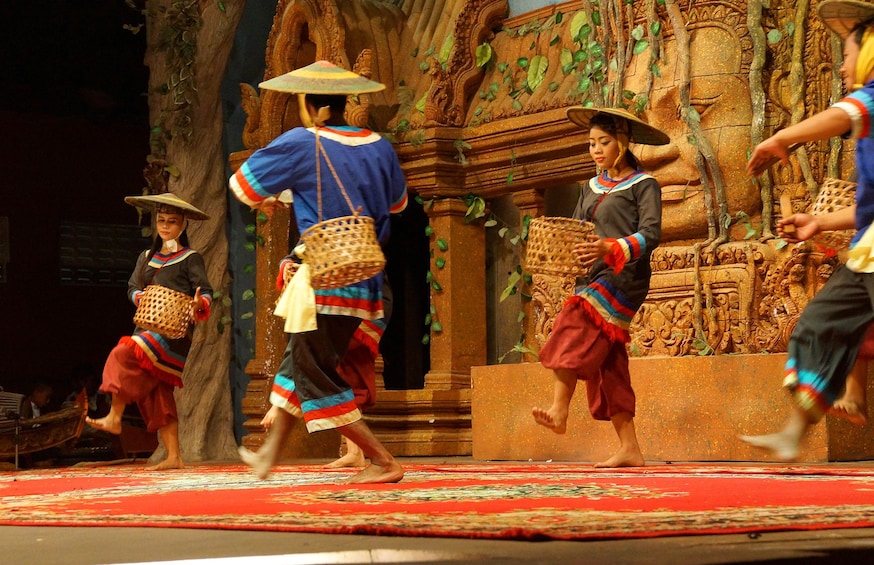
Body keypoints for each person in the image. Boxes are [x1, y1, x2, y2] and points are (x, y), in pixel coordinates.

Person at [230, 60, 408, 484]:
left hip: (326, 277)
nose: (303, 113)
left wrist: (267, 201)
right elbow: (398, 204)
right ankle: (270, 455)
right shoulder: (380, 147)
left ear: (318, 109)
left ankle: (383, 460)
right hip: (366, 279)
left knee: (313, 370)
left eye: (304, 106)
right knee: (305, 360)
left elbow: (243, 186)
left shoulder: (302, 142)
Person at [740, 0, 874, 460]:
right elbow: (868, 208)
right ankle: (793, 434)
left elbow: (850, 110)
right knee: (818, 325)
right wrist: (819, 222)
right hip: (867, 253)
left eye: (848, 52)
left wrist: (783, 137)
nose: (842, 64)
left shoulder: (872, 100)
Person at [531, 107, 668, 468]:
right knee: (610, 362)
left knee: (573, 320)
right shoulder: (590, 187)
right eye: (591, 143)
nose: (596, 149)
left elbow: (652, 233)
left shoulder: (643, 185)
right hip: (592, 275)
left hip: (624, 276)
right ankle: (630, 448)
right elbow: (580, 230)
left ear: (622, 142)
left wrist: (612, 246)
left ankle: (560, 409)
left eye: (603, 142)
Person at [85, 192, 213, 471]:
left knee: (122, 352)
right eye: (162, 220)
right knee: (158, 392)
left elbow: (206, 293)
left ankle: (114, 416)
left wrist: (198, 305)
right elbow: (132, 287)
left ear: (183, 226)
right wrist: (140, 297)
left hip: (172, 334)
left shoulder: (191, 257)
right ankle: (174, 456)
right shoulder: (146, 257)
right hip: (146, 325)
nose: (166, 226)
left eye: (172, 222)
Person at [263, 249, 392, 469]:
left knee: (309, 355)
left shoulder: (339, 221)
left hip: (353, 300)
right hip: (339, 299)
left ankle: (382, 460)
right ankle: (356, 453)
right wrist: (289, 269)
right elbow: (295, 254)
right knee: (343, 371)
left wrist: (278, 401)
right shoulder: (317, 223)